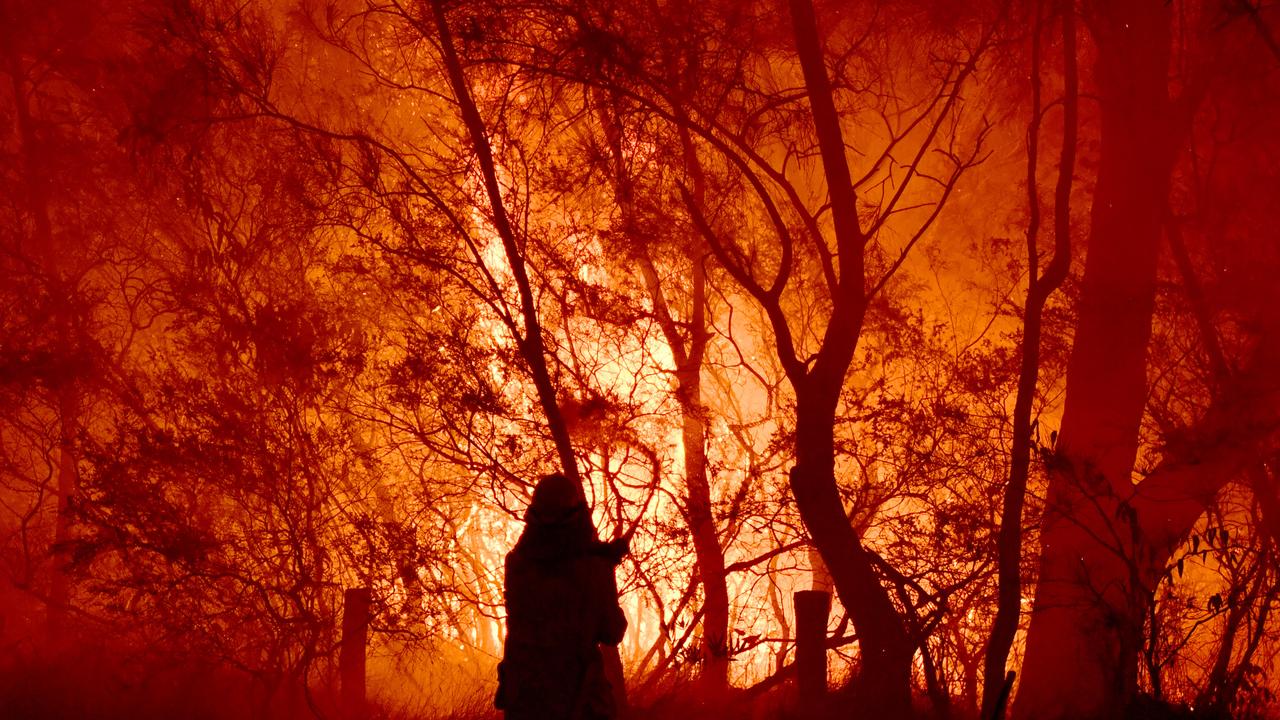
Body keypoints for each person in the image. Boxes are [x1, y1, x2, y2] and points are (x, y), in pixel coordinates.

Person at [496, 473, 628, 720]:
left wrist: (600, 557)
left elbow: (555, 556)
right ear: (577, 515)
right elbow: (612, 632)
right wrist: (605, 568)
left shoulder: (516, 564)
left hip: (526, 701)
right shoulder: (593, 568)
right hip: (578, 701)